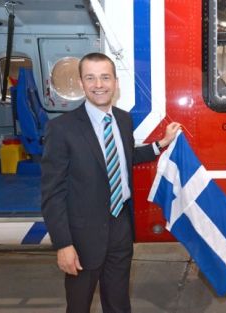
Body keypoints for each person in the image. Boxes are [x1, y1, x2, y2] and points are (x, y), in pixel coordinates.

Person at [41, 52, 180, 313]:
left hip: (120, 225)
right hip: (82, 234)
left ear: (115, 82)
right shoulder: (62, 129)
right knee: (79, 304)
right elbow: (52, 193)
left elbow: (124, 157)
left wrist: (161, 144)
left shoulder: (123, 119)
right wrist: (63, 244)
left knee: (118, 302)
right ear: (82, 84)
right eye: (90, 78)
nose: (98, 84)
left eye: (105, 77)